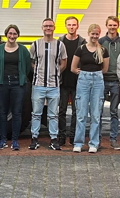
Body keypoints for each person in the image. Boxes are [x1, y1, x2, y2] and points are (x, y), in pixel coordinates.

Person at [70, 23, 111, 153]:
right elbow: (73, 67)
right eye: (92, 33)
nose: (94, 36)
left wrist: (94, 75)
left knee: (95, 114)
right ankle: (78, 143)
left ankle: (94, 143)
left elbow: (105, 69)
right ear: (88, 34)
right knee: (81, 114)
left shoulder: (103, 50)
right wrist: (82, 74)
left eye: (97, 34)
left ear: (99, 35)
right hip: (83, 80)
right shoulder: (81, 49)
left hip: (98, 80)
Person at [30, 18, 67, 150]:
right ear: (42, 27)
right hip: (38, 84)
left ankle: (53, 139)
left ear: (54, 27)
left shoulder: (60, 45)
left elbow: (64, 62)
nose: (48, 28)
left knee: (53, 114)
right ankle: (34, 138)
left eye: (50, 26)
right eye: (46, 26)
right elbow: (32, 61)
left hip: (54, 85)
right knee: (36, 113)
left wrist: (56, 73)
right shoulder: (35, 44)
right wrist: (38, 72)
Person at [0, 24, 31, 151]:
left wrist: (20, 79)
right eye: (10, 33)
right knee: (2, 112)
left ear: (18, 35)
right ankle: (3, 140)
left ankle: (15, 140)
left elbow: (26, 67)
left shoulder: (23, 50)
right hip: (1, 84)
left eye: (14, 34)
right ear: (6, 34)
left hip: (17, 85)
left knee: (17, 112)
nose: (12, 36)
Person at [100, 16, 120, 150]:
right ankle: (97, 139)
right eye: (110, 25)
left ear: (117, 26)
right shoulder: (101, 42)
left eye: (114, 25)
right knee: (98, 111)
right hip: (103, 81)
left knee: (114, 112)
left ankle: (113, 139)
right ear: (106, 26)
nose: (112, 27)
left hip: (117, 81)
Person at [58, 16, 84, 148]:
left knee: (76, 111)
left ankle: (73, 136)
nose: (71, 27)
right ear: (66, 26)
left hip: (78, 82)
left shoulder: (82, 42)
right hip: (63, 81)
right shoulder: (60, 41)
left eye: (74, 25)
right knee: (61, 110)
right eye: (69, 25)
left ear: (77, 26)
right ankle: (61, 136)